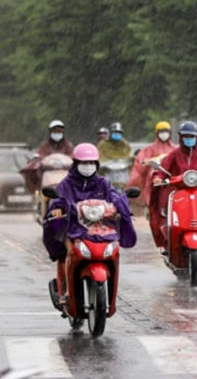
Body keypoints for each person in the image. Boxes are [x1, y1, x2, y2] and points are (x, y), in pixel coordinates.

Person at [42, 143, 137, 304]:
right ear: (76, 164)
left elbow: (114, 197)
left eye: (92, 163)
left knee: (114, 251)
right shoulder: (67, 184)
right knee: (70, 250)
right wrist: (57, 209)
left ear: (97, 165)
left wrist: (122, 207)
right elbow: (58, 200)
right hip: (74, 228)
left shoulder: (103, 183)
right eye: (84, 163)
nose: (88, 166)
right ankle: (66, 290)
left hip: (102, 228)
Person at [151, 121, 197, 251]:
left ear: (196, 138)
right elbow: (163, 169)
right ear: (181, 138)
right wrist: (158, 178)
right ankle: (169, 243)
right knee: (166, 215)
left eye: (192, 136)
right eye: (186, 136)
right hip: (178, 194)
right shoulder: (174, 154)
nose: (189, 139)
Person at [127, 121, 176, 208]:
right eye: (161, 132)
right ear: (157, 133)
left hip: (171, 181)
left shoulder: (175, 149)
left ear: (170, 133)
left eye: (166, 131)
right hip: (153, 183)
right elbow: (140, 165)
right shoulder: (149, 149)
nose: (164, 134)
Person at [20, 120, 75, 193]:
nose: (57, 133)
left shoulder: (68, 146)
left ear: (63, 133)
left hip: (65, 173)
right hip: (48, 174)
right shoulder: (45, 146)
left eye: (59, 131)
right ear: (50, 132)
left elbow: (72, 156)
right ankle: (39, 193)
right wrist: (36, 161)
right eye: (54, 132)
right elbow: (40, 155)